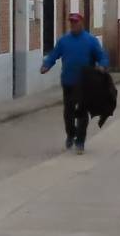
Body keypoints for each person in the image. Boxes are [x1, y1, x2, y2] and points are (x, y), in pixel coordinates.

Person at [41, 9, 109, 153]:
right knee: (69, 112)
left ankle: (80, 142)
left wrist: (103, 65)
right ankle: (71, 134)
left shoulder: (91, 41)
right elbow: (54, 55)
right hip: (68, 81)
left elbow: (101, 55)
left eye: (75, 22)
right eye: (71, 22)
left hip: (85, 82)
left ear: (81, 23)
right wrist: (47, 64)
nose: (73, 25)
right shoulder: (64, 41)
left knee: (82, 112)